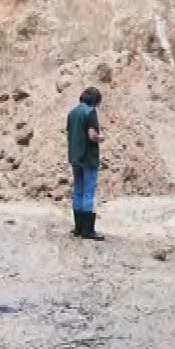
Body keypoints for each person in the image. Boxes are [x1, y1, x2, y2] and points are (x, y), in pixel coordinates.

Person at [66, 86, 105, 240]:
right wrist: (100, 138)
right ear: (95, 101)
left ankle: (78, 227)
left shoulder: (72, 113)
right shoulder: (90, 112)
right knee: (88, 192)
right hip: (88, 158)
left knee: (78, 191)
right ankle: (88, 231)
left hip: (75, 157)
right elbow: (91, 135)